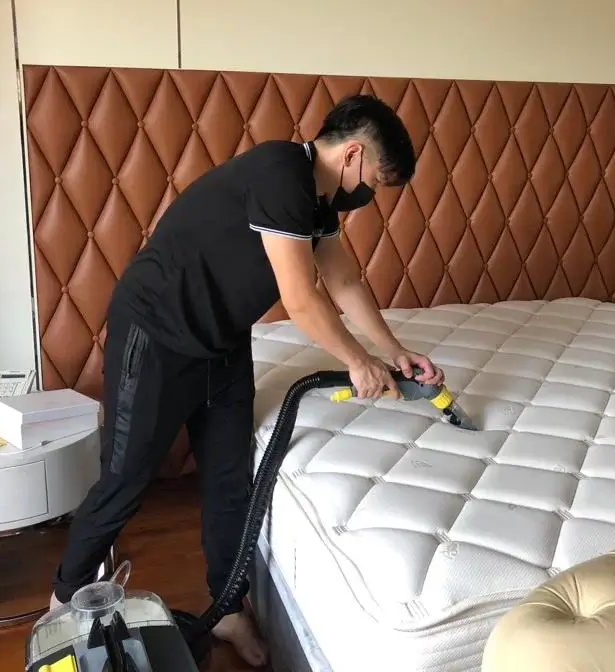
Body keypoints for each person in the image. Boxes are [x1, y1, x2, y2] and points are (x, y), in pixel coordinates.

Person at [48, 94, 444, 667]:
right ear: (353, 154)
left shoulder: (318, 202)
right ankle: (61, 604)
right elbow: (301, 299)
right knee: (125, 480)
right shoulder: (280, 171)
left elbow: (343, 282)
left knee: (229, 480)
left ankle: (227, 609)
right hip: (156, 333)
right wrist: (357, 361)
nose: (370, 196)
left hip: (222, 341)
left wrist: (394, 351)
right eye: (375, 183)